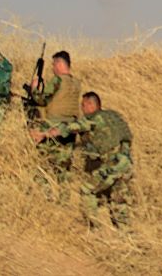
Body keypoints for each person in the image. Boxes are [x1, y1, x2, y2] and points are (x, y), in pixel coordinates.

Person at [29, 92, 134, 226]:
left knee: (87, 190)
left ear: (91, 105)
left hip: (112, 164)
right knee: (118, 201)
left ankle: (93, 228)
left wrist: (44, 134)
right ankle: (126, 236)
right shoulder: (115, 116)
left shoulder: (92, 119)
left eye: (83, 105)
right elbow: (128, 137)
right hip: (126, 164)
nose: (82, 109)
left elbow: (70, 128)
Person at [30, 51, 82, 183]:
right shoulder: (76, 83)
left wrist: (34, 89)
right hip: (70, 127)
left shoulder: (57, 80)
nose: (53, 68)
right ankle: (63, 197)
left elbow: (41, 100)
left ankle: (43, 192)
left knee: (44, 162)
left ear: (59, 64)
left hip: (52, 125)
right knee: (64, 167)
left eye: (54, 64)